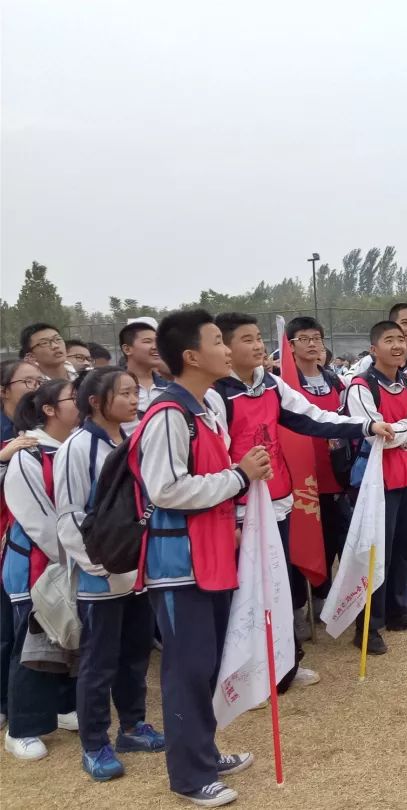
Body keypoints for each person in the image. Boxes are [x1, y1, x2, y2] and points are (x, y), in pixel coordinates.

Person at [132, 308, 272, 807]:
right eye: (219, 340)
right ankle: (190, 776)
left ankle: (204, 751)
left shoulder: (207, 403)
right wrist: (239, 476)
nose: (229, 348)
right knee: (186, 669)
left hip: (211, 556)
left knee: (206, 663)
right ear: (192, 356)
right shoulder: (168, 415)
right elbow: (166, 489)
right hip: (178, 566)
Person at [209, 313, 392, 689]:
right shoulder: (215, 395)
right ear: (225, 348)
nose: (259, 345)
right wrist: (229, 516)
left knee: (278, 585)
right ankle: (241, 678)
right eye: (247, 339)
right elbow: (211, 459)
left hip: (277, 503)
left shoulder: (271, 385)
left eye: (259, 337)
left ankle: (284, 667)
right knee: (243, 595)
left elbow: (313, 418)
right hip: (237, 509)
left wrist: (365, 426)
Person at [55, 367, 165, 780]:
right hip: (102, 575)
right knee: (99, 663)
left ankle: (133, 727)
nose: (134, 399)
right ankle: (95, 742)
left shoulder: (134, 439)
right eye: (124, 393)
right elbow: (68, 515)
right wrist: (98, 565)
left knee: (135, 653)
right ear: (96, 401)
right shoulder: (77, 448)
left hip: (139, 570)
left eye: (135, 392)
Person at [344, 320, 407, 655]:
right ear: (373, 349)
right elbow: (374, 432)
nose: (398, 346)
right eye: (389, 340)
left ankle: (400, 609)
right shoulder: (360, 386)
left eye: (401, 339)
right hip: (375, 479)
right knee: (374, 553)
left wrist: (400, 430)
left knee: (403, 548)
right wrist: (406, 428)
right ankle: (369, 624)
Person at [2, 379, 81, 761]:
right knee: (32, 645)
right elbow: (38, 521)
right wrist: (76, 556)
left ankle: (66, 706)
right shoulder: (28, 455)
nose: (82, 403)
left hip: (72, 562)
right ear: (49, 409)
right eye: (73, 398)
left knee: (68, 637)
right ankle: (23, 728)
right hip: (37, 566)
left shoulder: (75, 447)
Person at [285, 316, 355, 635]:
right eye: (304, 338)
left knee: (336, 540)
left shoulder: (335, 381)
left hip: (334, 475)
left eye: (317, 337)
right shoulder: (284, 383)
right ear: (290, 345)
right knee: (305, 543)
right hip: (300, 480)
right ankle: (303, 606)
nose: (312, 344)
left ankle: (331, 597)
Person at [0, 361, 44, 732]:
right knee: (10, 635)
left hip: (21, 546)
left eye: (38, 381)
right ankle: (10, 710)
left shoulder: (39, 439)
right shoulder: (13, 444)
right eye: (26, 380)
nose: (33, 386)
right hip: (17, 549)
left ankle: (53, 706)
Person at [118, 319, 169, 433]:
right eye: (147, 341)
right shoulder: (113, 388)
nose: (155, 347)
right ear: (127, 349)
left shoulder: (169, 387)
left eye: (157, 341)